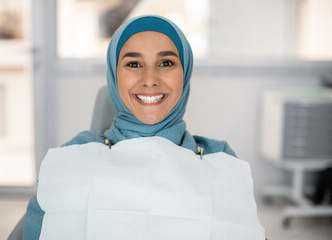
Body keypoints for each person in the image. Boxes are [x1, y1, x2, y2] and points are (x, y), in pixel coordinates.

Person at [23, 15, 264, 239]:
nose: (150, 79)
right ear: (114, 76)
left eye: (166, 62)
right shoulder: (77, 155)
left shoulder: (219, 159)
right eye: (134, 64)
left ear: (186, 73)